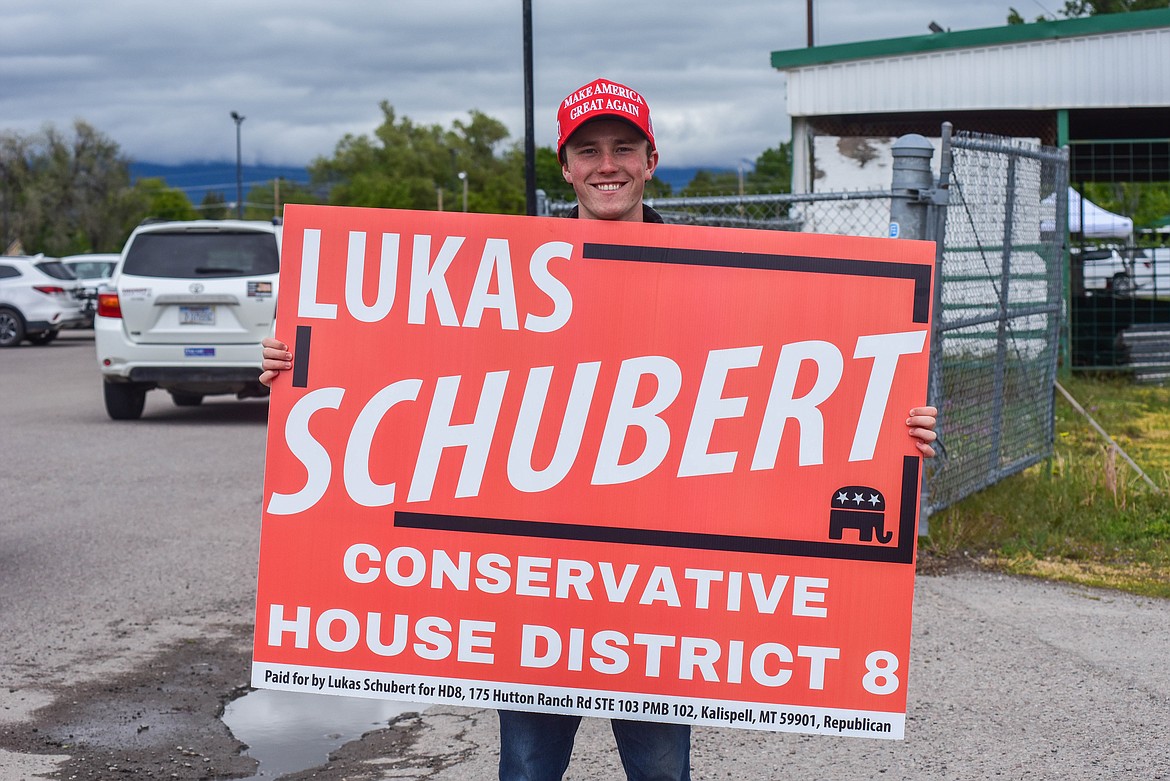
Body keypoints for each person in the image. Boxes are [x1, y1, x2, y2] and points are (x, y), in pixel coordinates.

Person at [260, 77, 938, 780]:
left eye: (623, 148)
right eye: (588, 151)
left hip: (655, 594)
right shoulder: (508, 276)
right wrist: (301, 360)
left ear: (651, 159)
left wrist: (895, 424)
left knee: (659, 770)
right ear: (565, 166)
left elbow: (799, 381)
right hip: (533, 591)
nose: (605, 164)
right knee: (526, 768)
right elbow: (416, 364)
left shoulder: (718, 279)